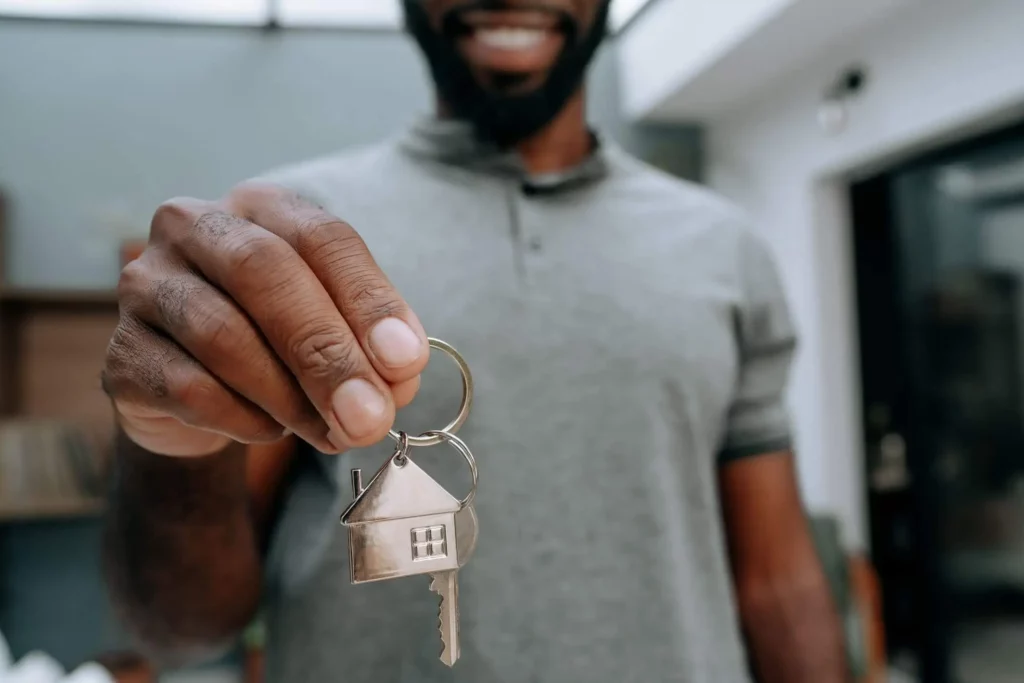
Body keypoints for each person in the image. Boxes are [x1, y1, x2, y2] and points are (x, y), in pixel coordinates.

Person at [100, 1, 849, 681]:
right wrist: (171, 449)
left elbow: (778, 581)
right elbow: (182, 632)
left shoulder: (727, 247)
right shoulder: (286, 236)